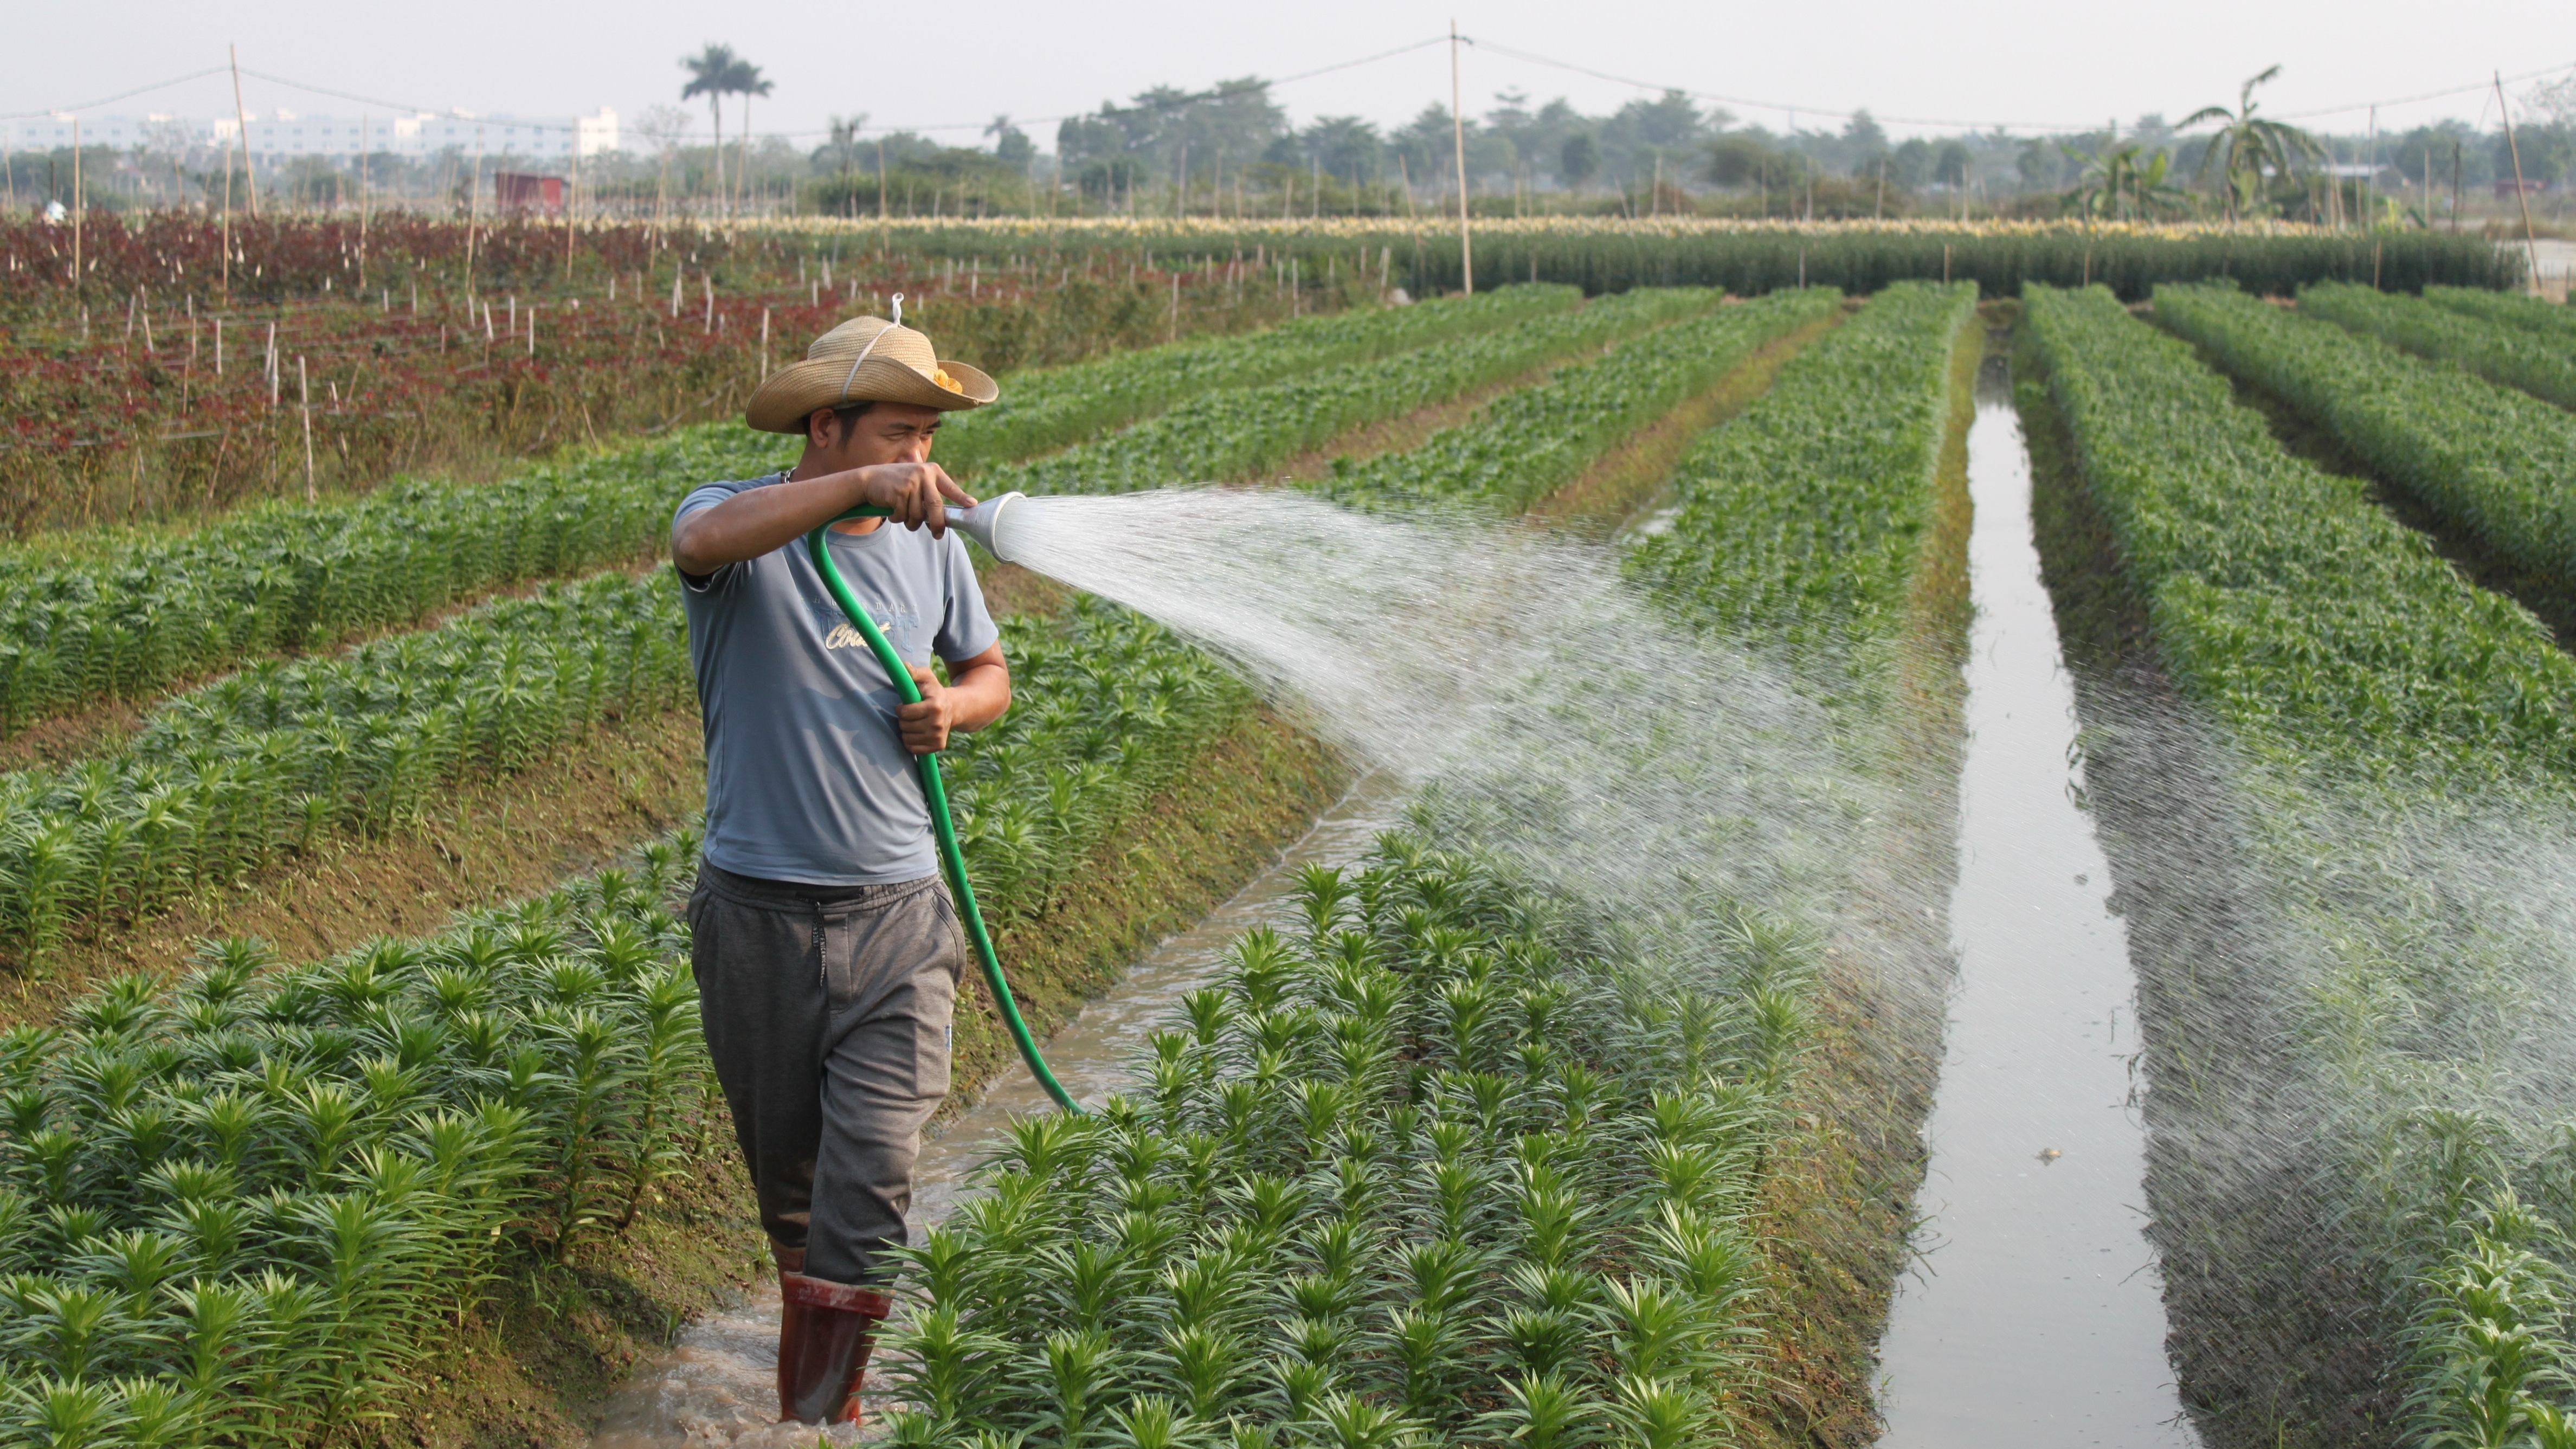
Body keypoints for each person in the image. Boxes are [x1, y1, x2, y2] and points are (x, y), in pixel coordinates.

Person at [668, 309, 1007, 1427]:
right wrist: (852, 498)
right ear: (827, 425)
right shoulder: (737, 525)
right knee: (795, 1193)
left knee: (872, 1174)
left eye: (927, 438)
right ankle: (818, 1387)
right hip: (757, 914)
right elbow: (700, 548)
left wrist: (954, 706)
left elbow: (991, 668)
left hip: (900, 911)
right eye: (901, 434)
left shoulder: (934, 547)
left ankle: (821, 1413)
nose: (921, 461)